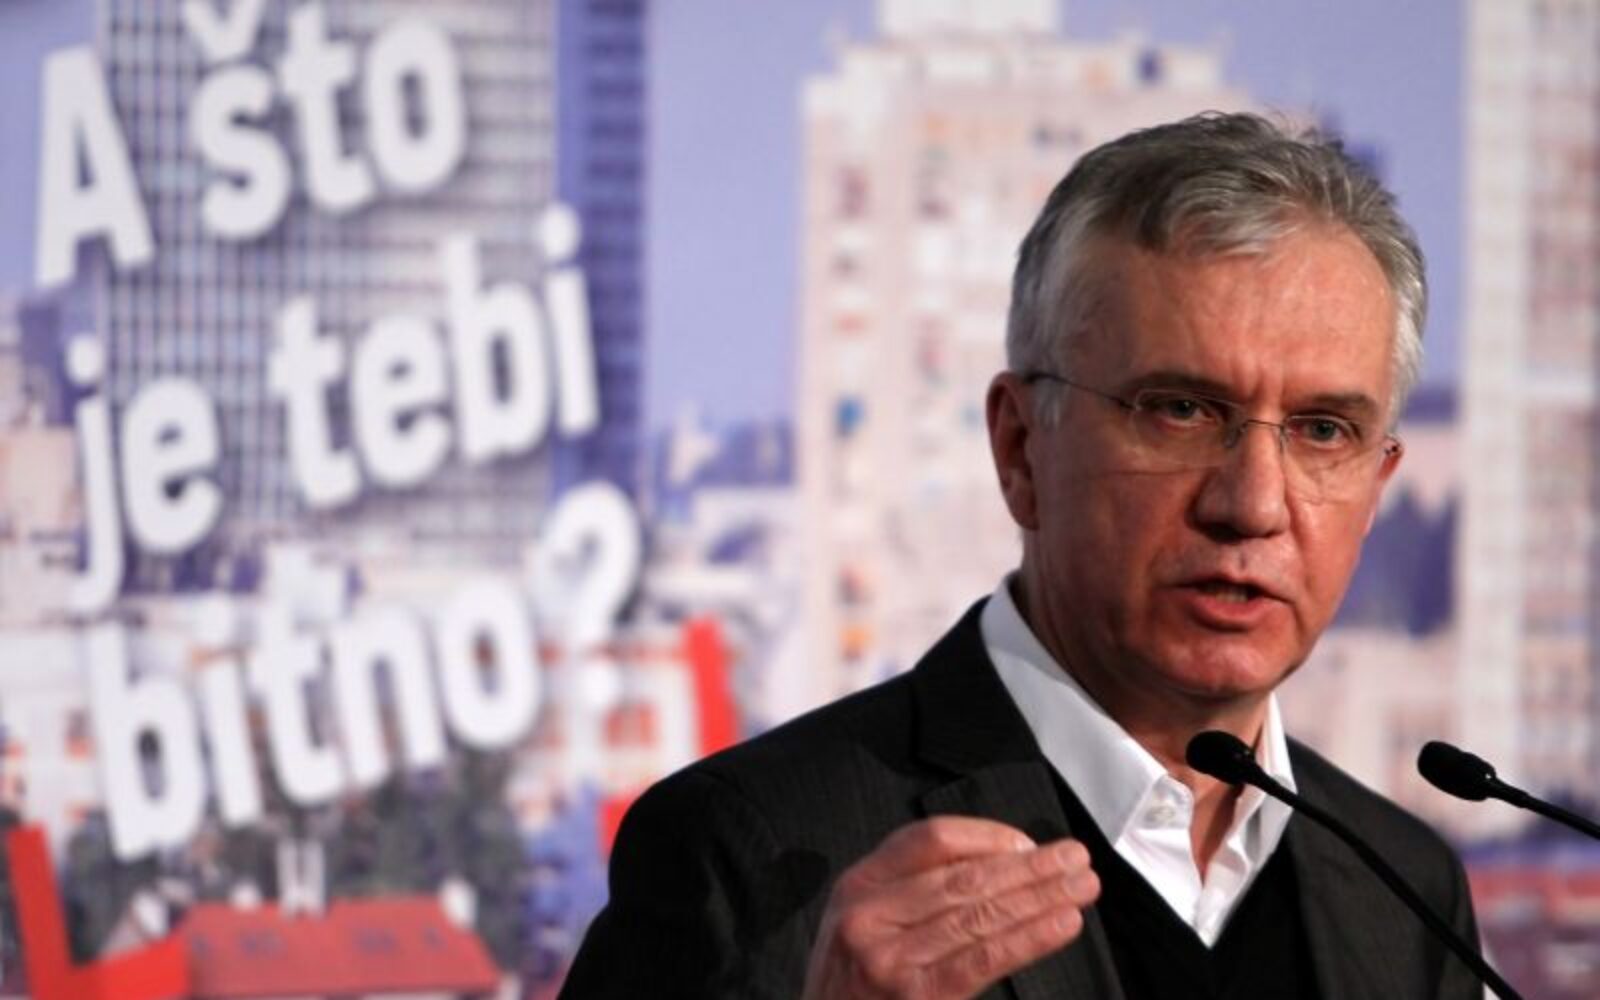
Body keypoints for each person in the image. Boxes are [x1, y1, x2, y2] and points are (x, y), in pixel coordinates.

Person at [560, 112, 1483, 999]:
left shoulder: (1405, 891)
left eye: (1324, 430)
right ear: (1020, 448)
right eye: (1180, 411)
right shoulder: (748, 853)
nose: (1253, 504)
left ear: (1377, 485)